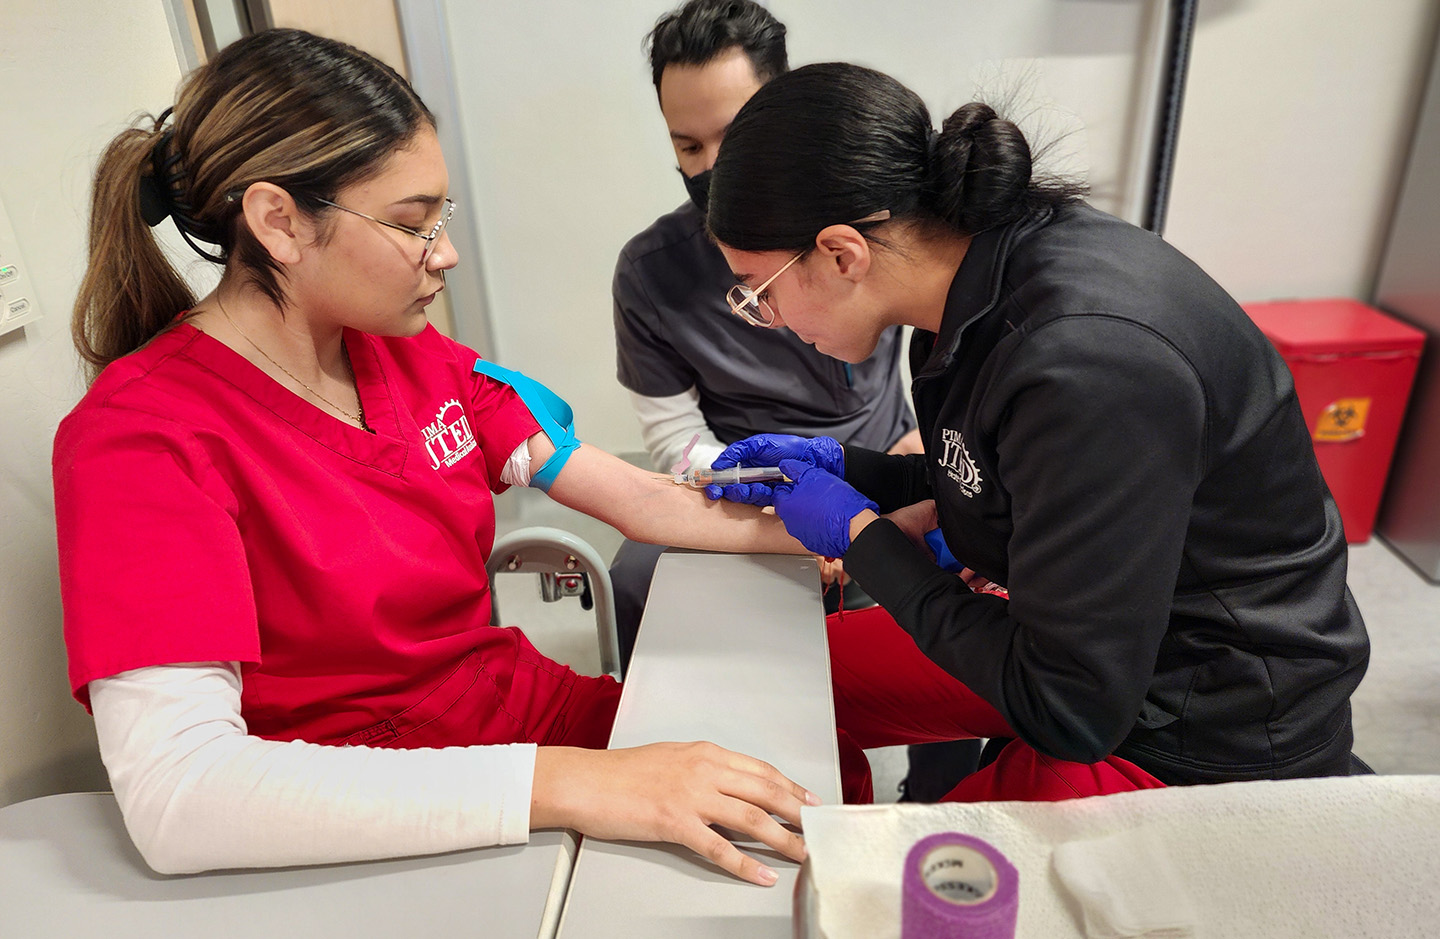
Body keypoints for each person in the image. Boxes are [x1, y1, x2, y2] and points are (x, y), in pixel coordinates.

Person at [54, 28, 820, 888]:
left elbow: (641, 497)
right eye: (414, 224)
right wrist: (572, 781)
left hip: (521, 715)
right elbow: (181, 796)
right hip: (381, 805)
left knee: (814, 764)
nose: (445, 253)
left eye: (442, 219)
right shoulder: (140, 437)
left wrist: (864, 529)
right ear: (279, 221)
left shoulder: (415, 356)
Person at [703, 62, 1371, 796]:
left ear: (840, 254)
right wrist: (856, 467)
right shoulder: (961, 293)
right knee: (783, 681)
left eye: (758, 294)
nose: (768, 321)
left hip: (1192, 720)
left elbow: (1071, 707)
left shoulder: (1084, 360)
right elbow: (1022, 477)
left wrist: (865, 539)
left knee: (914, 890)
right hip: (1082, 639)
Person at [609, 0, 926, 646]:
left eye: (733, 134)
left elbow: (954, 373)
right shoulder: (651, 273)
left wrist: (905, 465)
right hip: (745, 486)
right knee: (636, 577)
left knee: (956, 622)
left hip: (889, 464)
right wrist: (782, 506)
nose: (711, 167)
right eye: (687, 145)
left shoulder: (875, 221)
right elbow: (677, 444)